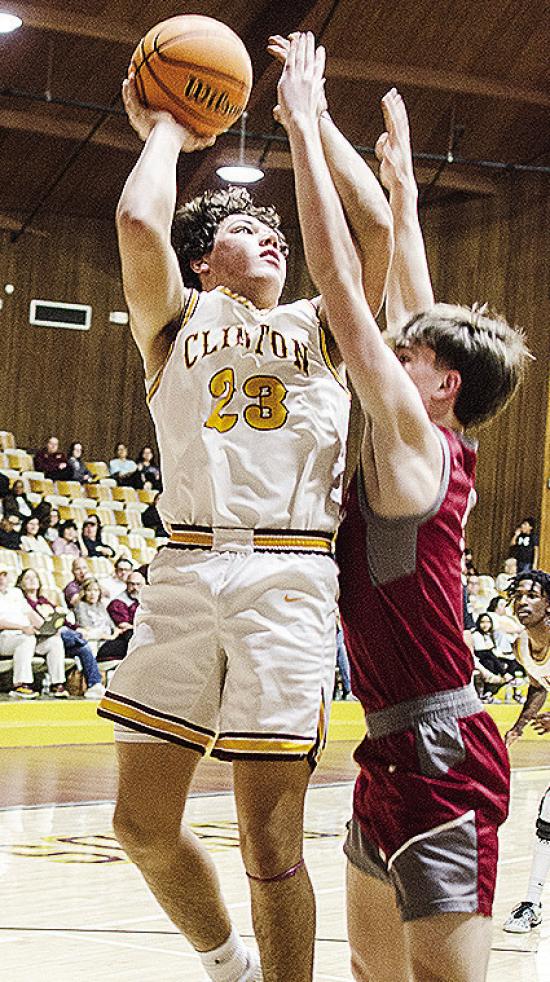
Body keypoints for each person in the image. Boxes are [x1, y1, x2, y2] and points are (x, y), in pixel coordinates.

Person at [98, 35, 393, 982]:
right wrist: (168, 128)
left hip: (288, 576)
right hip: (184, 568)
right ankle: (225, 966)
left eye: (274, 226)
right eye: (243, 228)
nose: (269, 232)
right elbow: (139, 223)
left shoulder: (325, 324)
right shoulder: (177, 322)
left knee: (271, 845)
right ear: (207, 263)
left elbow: (375, 230)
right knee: (140, 827)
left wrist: (314, 119)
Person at [274, 37, 530, 981]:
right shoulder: (430, 428)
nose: (391, 348)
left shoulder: (417, 441)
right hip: (389, 746)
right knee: (372, 978)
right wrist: (397, 183)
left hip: (444, 747)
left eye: (408, 354)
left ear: (441, 384)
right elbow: (403, 255)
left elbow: (345, 289)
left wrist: (304, 126)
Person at [503, 571, 550, 934]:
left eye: (532, 595)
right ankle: (531, 904)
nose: (523, 601)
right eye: (518, 595)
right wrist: (520, 725)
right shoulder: (522, 645)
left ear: (548, 603)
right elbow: (538, 684)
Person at [16, 569, 104, 699]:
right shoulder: (22, 602)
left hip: (59, 636)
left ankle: (94, 685)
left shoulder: (44, 601)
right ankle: (78, 639)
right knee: (69, 635)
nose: (32, 580)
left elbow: (61, 619)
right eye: (27, 578)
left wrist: (77, 628)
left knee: (83, 648)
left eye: (35, 577)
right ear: (21, 584)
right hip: (40, 638)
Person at [0, 566, 68, 698]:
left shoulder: (15, 593)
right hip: (5, 637)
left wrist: (47, 629)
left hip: (26, 635)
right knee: (26, 639)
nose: (1, 578)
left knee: (54, 641)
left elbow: (30, 613)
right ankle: (21, 685)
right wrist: (22, 628)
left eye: (3, 575)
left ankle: (57, 684)